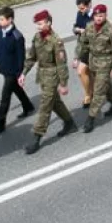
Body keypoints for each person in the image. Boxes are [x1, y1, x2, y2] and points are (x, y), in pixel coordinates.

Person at [22, 10, 77, 155]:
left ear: (49, 23)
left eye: (40, 24)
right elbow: (31, 57)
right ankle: (70, 123)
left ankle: (36, 137)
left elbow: (61, 64)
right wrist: (23, 73)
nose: (38, 27)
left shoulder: (56, 41)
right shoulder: (37, 37)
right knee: (55, 102)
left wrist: (63, 83)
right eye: (37, 24)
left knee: (45, 106)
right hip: (43, 76)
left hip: (53, 76)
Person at [0, 7, 34, 136]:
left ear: (10, 20)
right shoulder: (0, 32)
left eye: (2, 19)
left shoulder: (17, 37)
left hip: (13, 72)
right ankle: (28, 106)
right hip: (4, 69)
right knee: (16, 89)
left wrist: (20, 74)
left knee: (4, 98)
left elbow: (20, 57)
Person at [75, 5, 112, 132]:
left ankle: (90, 119)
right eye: (96, 16)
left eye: (101, 15)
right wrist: (77, 57)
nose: (98, 18)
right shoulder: (89, 27)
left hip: (106, 62)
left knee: (98, 90)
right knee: (105, 85)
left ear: (105, 15)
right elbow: (83, 43)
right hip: (93, 62)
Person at [72, 0, 94, 107]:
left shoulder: (96, 15)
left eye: (83, 8)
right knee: (82, 72)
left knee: (88, 72)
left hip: (95, 48)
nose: (81, 11)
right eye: (79, 9)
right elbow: (75, 26)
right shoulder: (80, 14)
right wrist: (78, 30)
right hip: (84, 48)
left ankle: (91, 94)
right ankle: (89, 94)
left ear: (89, 4)